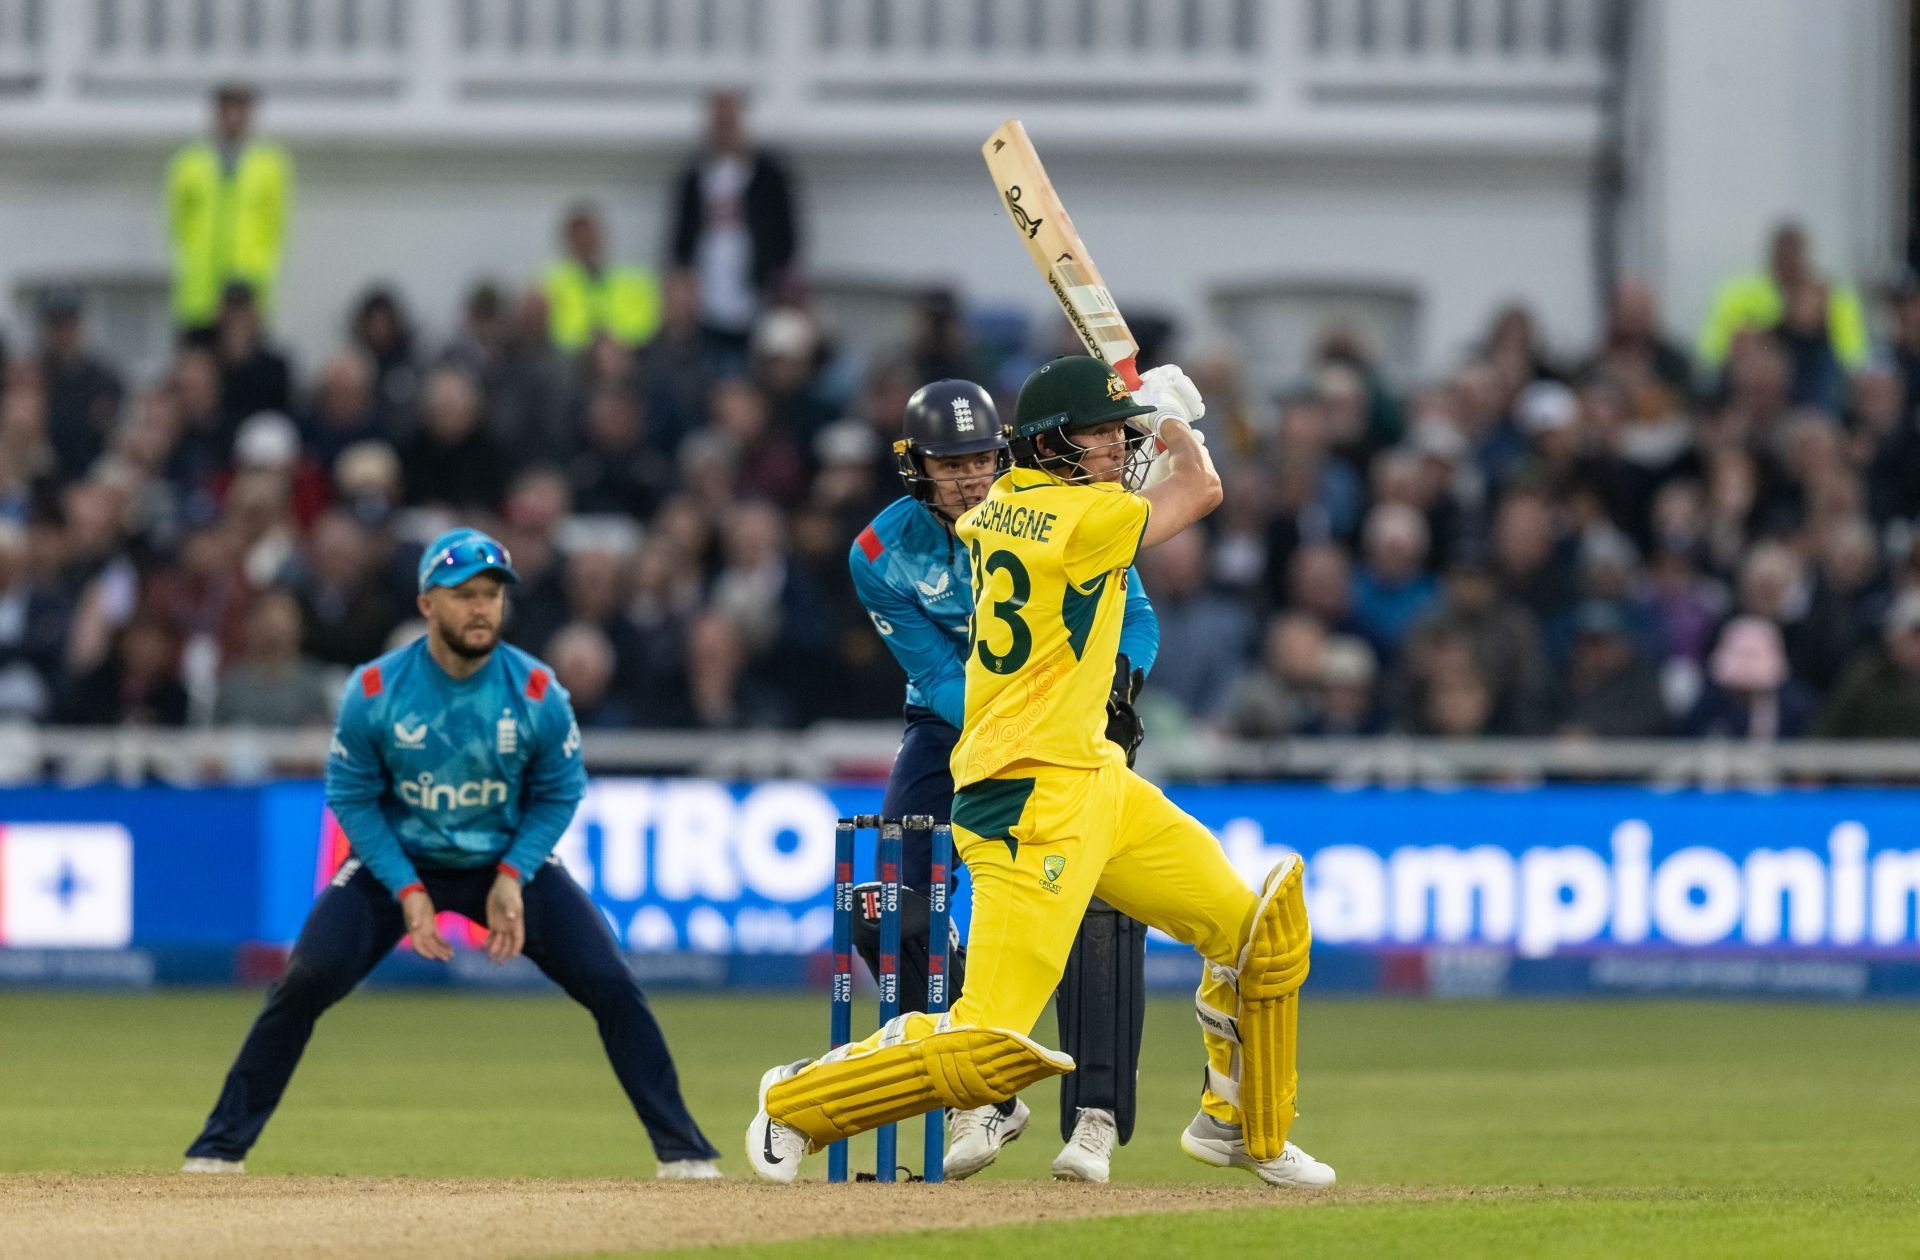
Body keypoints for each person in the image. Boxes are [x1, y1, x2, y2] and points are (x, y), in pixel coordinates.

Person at [749, 356, 1334, 1188]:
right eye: (1101, 437)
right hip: (1025, 799)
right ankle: (796, 1102)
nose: (1114, 451)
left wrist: (1130, 428)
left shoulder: (1003, 509)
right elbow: (1201, 490)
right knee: (986, 1037)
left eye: (1115, 437)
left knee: (1253, 933)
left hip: (1094, 776)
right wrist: (1170, 427)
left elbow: (1066, 501)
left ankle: (1237, 1124)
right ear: (1058, 446)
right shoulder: (1074, 518)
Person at [182, 528, 721, 1178]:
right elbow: (353, 799)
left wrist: (513, 875)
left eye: (492, 595)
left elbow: (558, 793)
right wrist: (407, 890)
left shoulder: (538, 692)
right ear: (426, 604)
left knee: (611, 983)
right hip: (399, 865)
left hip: (504, 860)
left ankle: (684, 1152)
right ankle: (219, 1150)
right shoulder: (377, 690)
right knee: (305, 981)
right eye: (464, 594)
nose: (481, 608)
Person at [847, 378, 1161, 1182]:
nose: (969, 477)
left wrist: (1115, 687)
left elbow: (1138, 617)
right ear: (914, 466)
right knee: (887, 900)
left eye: (982, 455)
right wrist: (1011, 725)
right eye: (949, 462)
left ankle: (1093, 1115)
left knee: (1092, 902)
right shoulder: (881, 553)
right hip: (952, 725)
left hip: (1071, 726)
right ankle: (981, 1082)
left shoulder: (1061, 507)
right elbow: (939, 674)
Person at [669, 89, 798, 353]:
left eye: (730, 119)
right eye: (719, 120)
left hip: (757, 299)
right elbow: (681, 239)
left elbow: (786, 236)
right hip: (706, 306)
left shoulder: (768, 176)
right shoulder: (695, 177)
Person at [166, 83, 293, 338]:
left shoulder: (270, 165)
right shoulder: (189, 163)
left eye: (240, 109)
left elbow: (276, 226)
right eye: (227, 109)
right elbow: (176, 222)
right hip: (200, 295)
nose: (233, 118)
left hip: (248, 293)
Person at [542, 203, 660, 353]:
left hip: (627, 352)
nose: (585, 242)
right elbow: (553, 330)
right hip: (570, 356)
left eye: (589, 236)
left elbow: (648, 323)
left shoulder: (633, 279)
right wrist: (588, 339)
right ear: (569, 241)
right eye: (579, 237)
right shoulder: (550, 282)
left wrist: (616, 338)